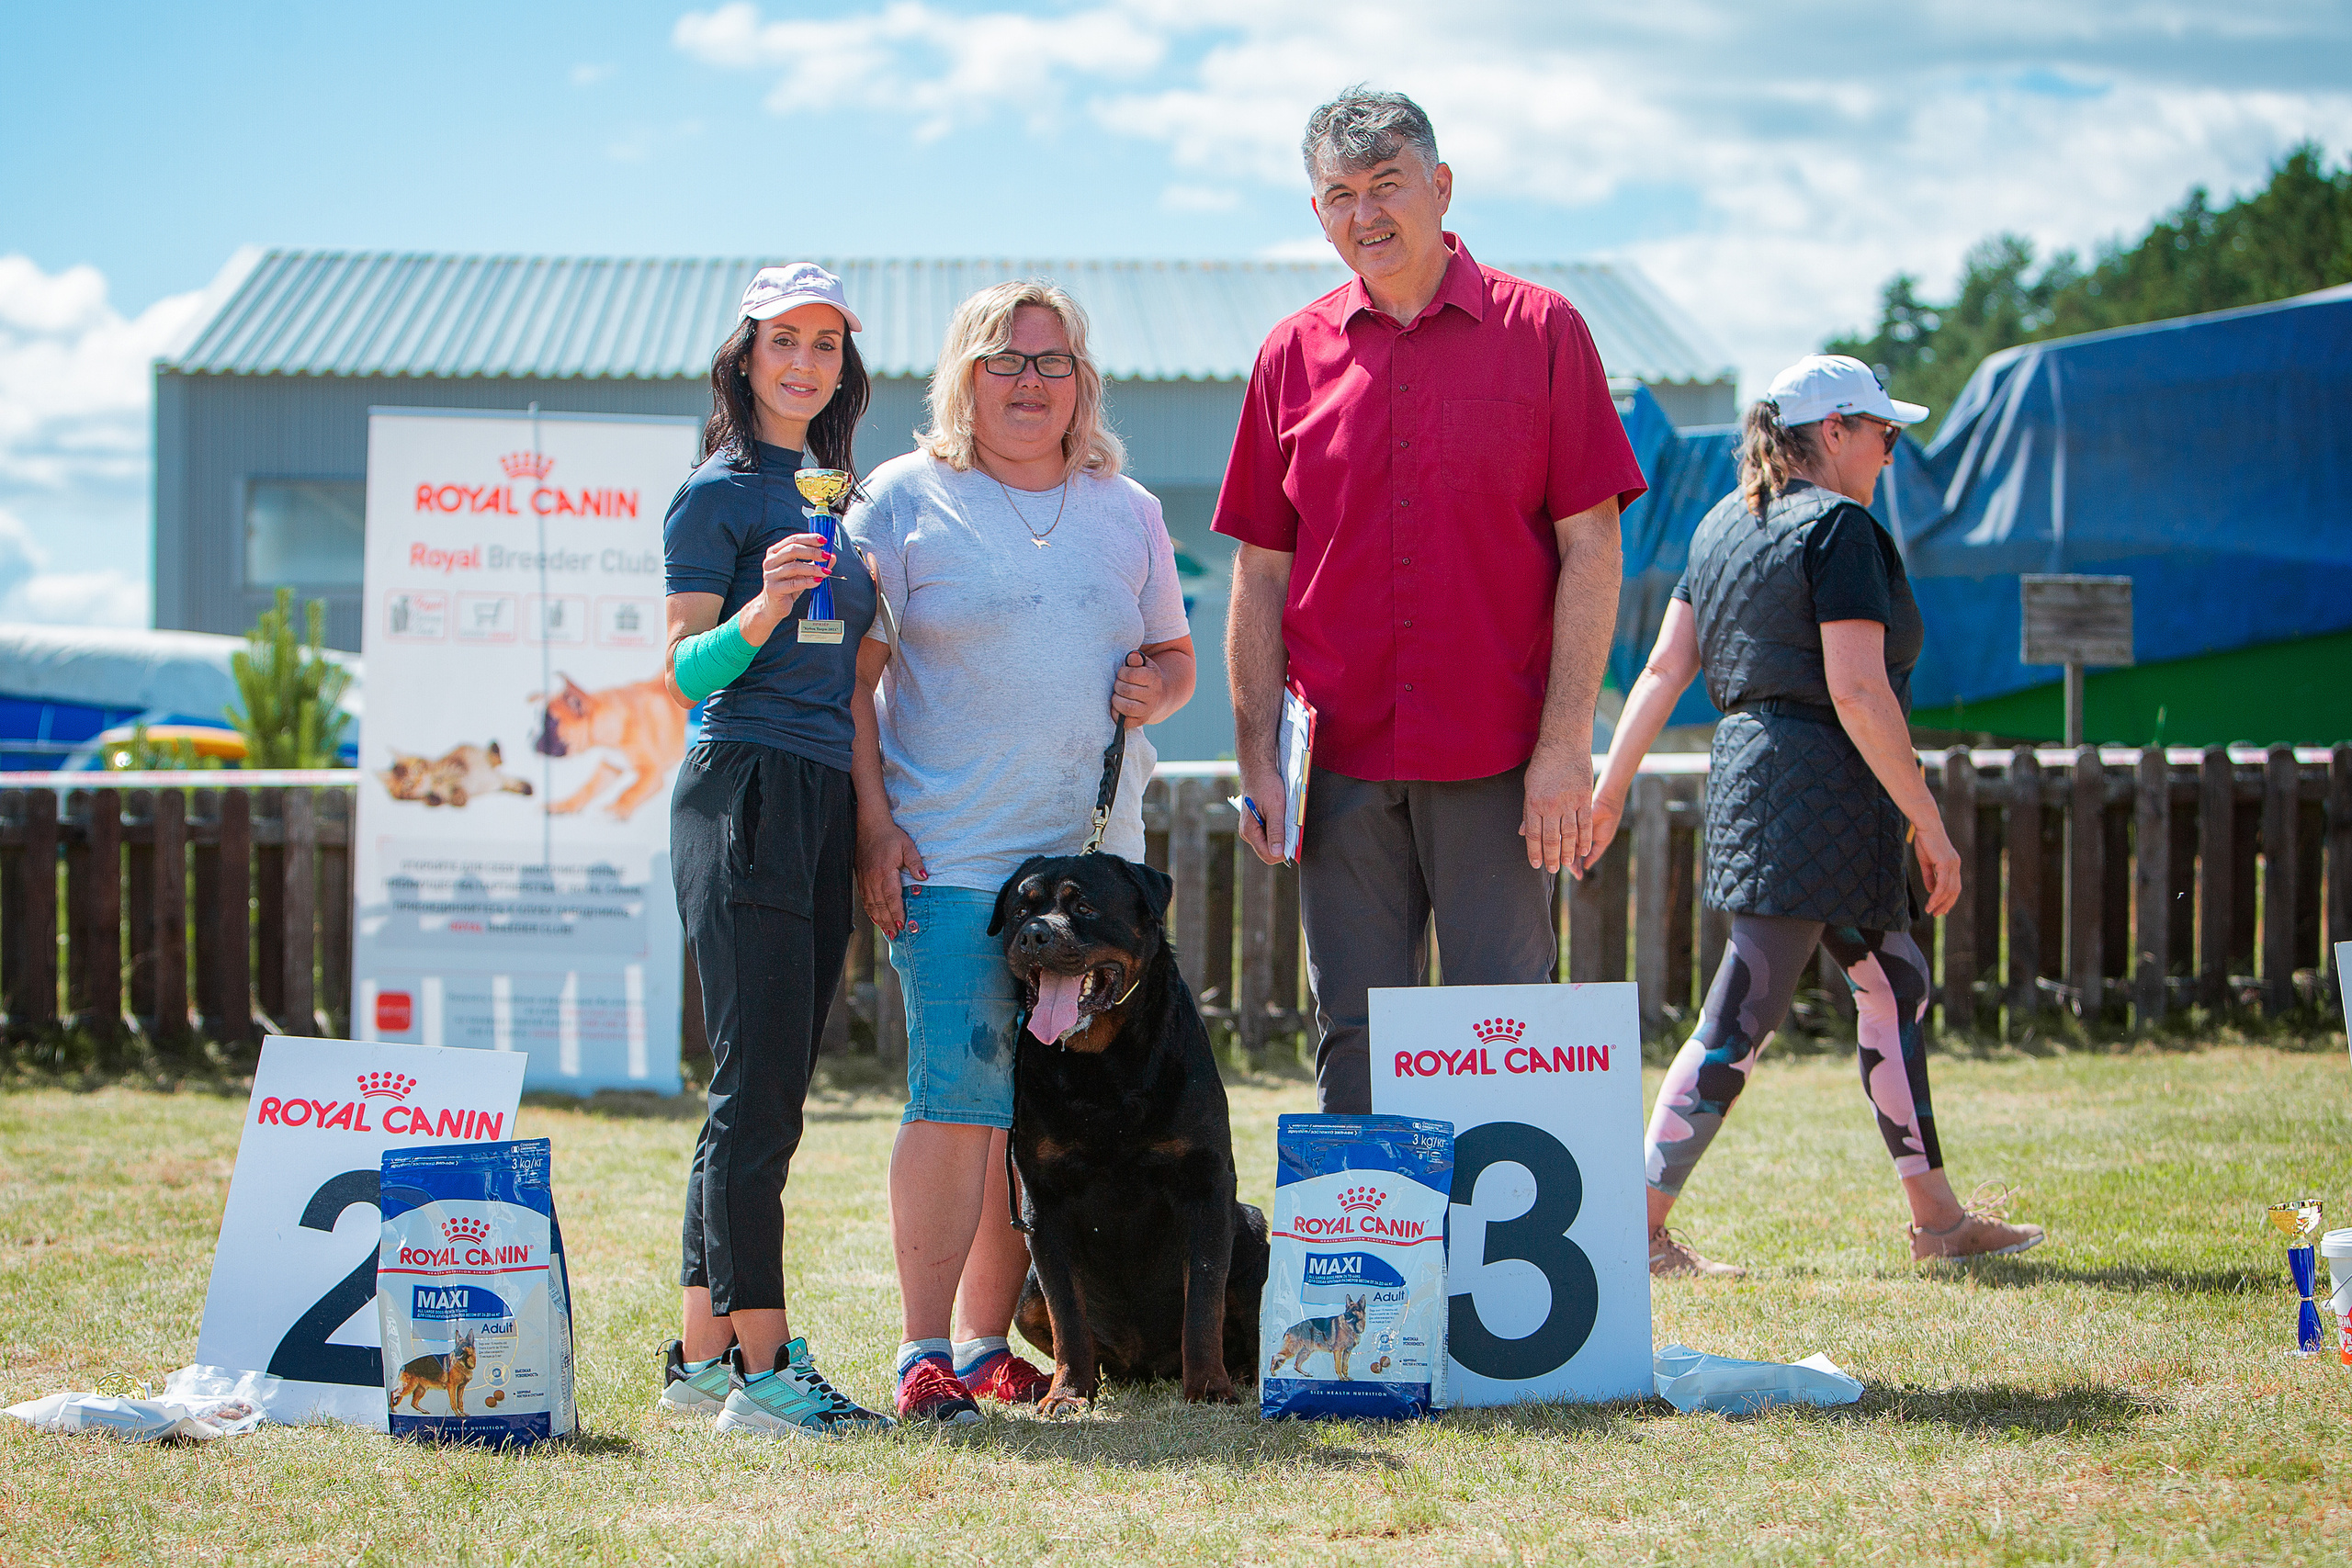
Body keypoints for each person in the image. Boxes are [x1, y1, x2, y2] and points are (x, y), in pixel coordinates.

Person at [1216, 86, 1647, 1113]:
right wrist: (1256, 757)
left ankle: (1494, 1230)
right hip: (1338, 767)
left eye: (1387, 184)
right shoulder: (1288, 355)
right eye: (1339, 195)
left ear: (1441, 186)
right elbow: (1261, 572)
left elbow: (1592, 547)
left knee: (1505, 1029)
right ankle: (1377, 1229)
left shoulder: (1544, 330)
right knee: (1354, 1032)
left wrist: (1565, 746)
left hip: (1500, 757)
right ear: (1317, 213)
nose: (1365, 214)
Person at [1587, 354, 2047, 1276]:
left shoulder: (1721, 525)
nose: (1891, 451)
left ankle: (1938, 1222)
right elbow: (1858, 691)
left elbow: (1664, 670)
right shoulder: (1840, 528)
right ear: (1833, 432)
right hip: (1817, 793)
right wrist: (1928, 821)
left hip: (1768, 786)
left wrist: (1610, 786)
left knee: (1894, 984)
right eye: (1884, 432)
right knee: (1739, 1016)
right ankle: (1629, 1231)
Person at [847, 279, 1196, 1422]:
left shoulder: (1127, 509)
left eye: (1052, 362)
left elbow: (1175, 660)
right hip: (952, 859)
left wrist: (1156, 688)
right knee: (959, 1098)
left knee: (1031, 1119)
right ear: (964, 378)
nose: (1029, 382)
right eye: (1004, 361)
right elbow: (853, 683)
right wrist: (872, 826)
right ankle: (921, 1353)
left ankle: (985, 1344)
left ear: (1082, 382)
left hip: (1093, 877)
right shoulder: (900, 499)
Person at [651, 263, 893, 1435]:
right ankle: (765, 1373)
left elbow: (850, 669)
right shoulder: (715, 495)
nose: (804, 362)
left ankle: (701, 1362)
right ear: (744, 355)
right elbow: (682, 672)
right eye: (783, 340)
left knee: (766, 1090)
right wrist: (762, 604)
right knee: (757, 1099)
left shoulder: (831, 498)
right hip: (741, 784)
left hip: (818, 793)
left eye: (825, 343)